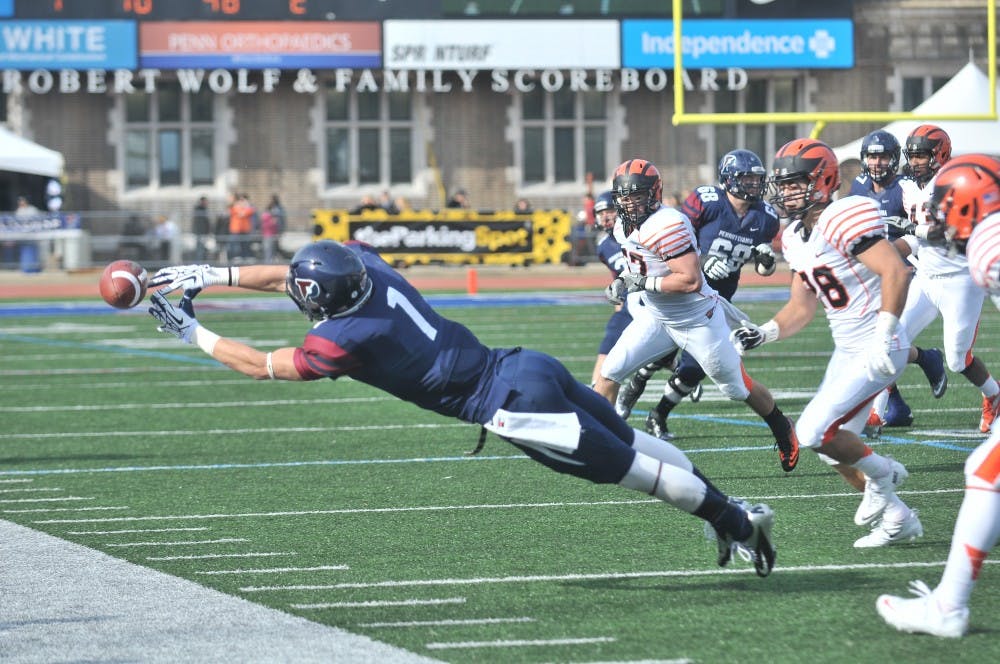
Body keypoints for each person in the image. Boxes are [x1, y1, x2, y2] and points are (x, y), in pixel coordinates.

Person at [145, 240, 778, 577]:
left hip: (508, 406)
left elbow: (262, 364)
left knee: (632, 471)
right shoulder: (369, 268)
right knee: (635, 447)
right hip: (525, 364)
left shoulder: (341, 338)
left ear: (322, 304)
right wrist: (211, 273)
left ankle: (738, 520)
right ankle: (725, 509)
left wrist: (188, 332)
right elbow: (286, 275)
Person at [732, 138, 921, 548]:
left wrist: (884, 334)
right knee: (832, 449)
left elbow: (895, 272)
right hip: (848, 348)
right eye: (782, 185)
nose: (786, 192)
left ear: (824, 180)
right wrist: (763, 332)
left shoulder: (841, 214)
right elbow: (801, 307)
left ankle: (885, 473)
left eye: (796, 183)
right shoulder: (796, 237)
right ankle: (898, 517)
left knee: (814, 429)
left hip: (878, 343)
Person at [592, 158, 800, 473]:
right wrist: (624, 281)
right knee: (609, 373)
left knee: (737, 389)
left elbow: (689, 280)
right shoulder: (622, 225)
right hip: (657, 317)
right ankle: (604, 447)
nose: (630, 202)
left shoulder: (668, 224)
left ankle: (781, 425)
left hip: (697, 320)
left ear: (654, 193)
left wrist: (641, 283)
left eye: (638, 195)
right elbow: (641, 265)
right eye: (624, 195)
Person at [876, 153, 1000, 637]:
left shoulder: (989, 246)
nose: (942, 218)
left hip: (951, 282)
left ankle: (948, 609)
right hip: (932, 279)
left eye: (950, 207)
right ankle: (948, 605)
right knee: (983, 473)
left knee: (984, 474)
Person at [616, 150, 781, 439]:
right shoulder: (708, 202)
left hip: (720, 296)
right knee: (661, 350)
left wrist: (766, 261)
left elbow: (763, 268)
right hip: (681, 290)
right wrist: (704, 261)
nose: (754, 185)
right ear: (728, 180)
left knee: (694, 367)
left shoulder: (765, 217)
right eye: (747, 179)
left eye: (757, 179)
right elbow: (674, 240)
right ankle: (637, 382)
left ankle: (659, 414)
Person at [892, 125, 1000, 435]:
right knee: (890, 341)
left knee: (957, 359)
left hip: (960, 279)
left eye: (921, 155)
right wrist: (889, 250)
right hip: (924, 277)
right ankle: (875, 410)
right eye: (911, 155)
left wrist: (911, 230)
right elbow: (918, 239)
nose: (915, 162)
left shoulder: (955, 181)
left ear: (940, 154)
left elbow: (951, 231)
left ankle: (993, 393)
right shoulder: (908, 188)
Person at [848, 129, 926, 429]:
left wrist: (903, 234)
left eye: (882, 156)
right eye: (871, 156)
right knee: (875, 339)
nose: (877, 162)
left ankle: (877, 412)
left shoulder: (906, 188)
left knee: (885, 338)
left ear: (894, 159)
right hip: (870, 272)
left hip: (906, 269)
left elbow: (923, 233)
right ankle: (899, 405)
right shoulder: (859, 185)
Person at [589, 190, 634, 387]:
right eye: (601, 213)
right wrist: (619, 304)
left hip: (654, 298)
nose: (605, 216)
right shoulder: (604, 247)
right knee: (610, 338)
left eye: (609, 210)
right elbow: (616, 276)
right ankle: (595, 388)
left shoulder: (637, 233)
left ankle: (681, 373)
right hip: (630, 304)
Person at [228, 193, 255, 262]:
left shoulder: (249, 208)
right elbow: (238, 212)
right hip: (236, 229)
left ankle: (245, 256)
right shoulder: (234, 207)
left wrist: (244, 209)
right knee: (235, 244)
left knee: (245, 244)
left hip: (245, 229)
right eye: (241, 200)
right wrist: (242, 210)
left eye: (243, 200)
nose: (242, 202)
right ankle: (236, 257)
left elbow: (249, 212)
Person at [192, 196, 212, 262]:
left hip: (204, 232)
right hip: (200, 232)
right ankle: (199, 263)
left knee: (203, 248)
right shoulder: (199, 209)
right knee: (200, 249)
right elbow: (201, 222)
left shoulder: (205, 209)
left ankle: (202, 262)